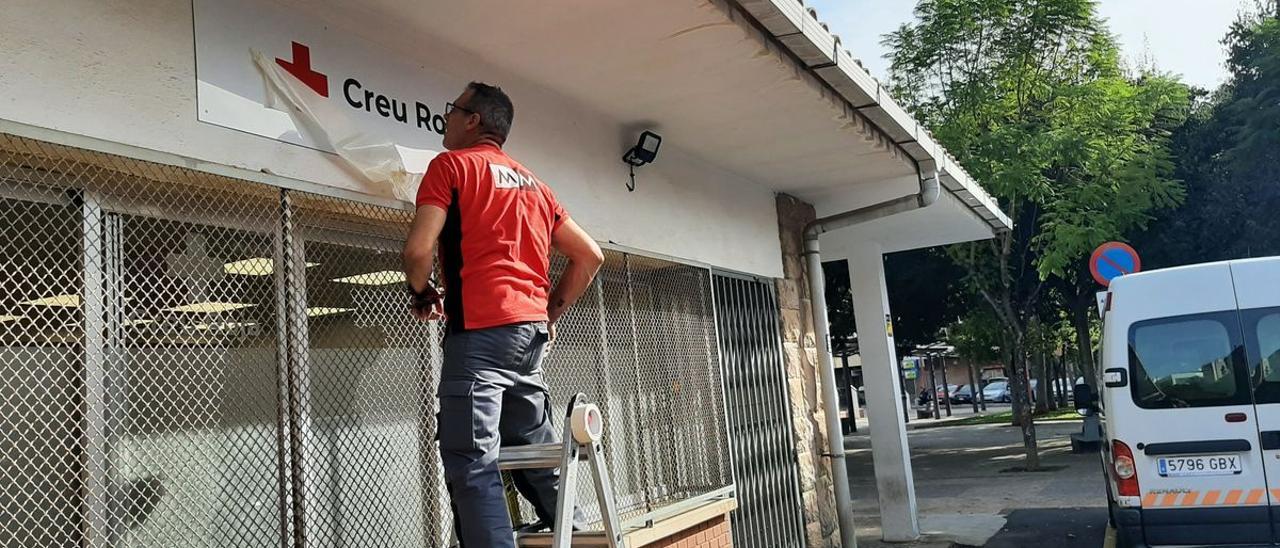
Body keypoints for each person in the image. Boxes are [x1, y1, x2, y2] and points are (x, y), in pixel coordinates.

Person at [402, 82, 604, 548]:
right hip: (529, 338)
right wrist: (550, 313)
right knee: (536, 454)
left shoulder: (451, 166)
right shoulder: (536, 185)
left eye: (453, 109)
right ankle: (575, 534)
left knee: (472, 463)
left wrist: (421, 292)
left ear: (473, 120)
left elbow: (417, 252)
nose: (447, 117)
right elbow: (590, 256)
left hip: (479, 337)